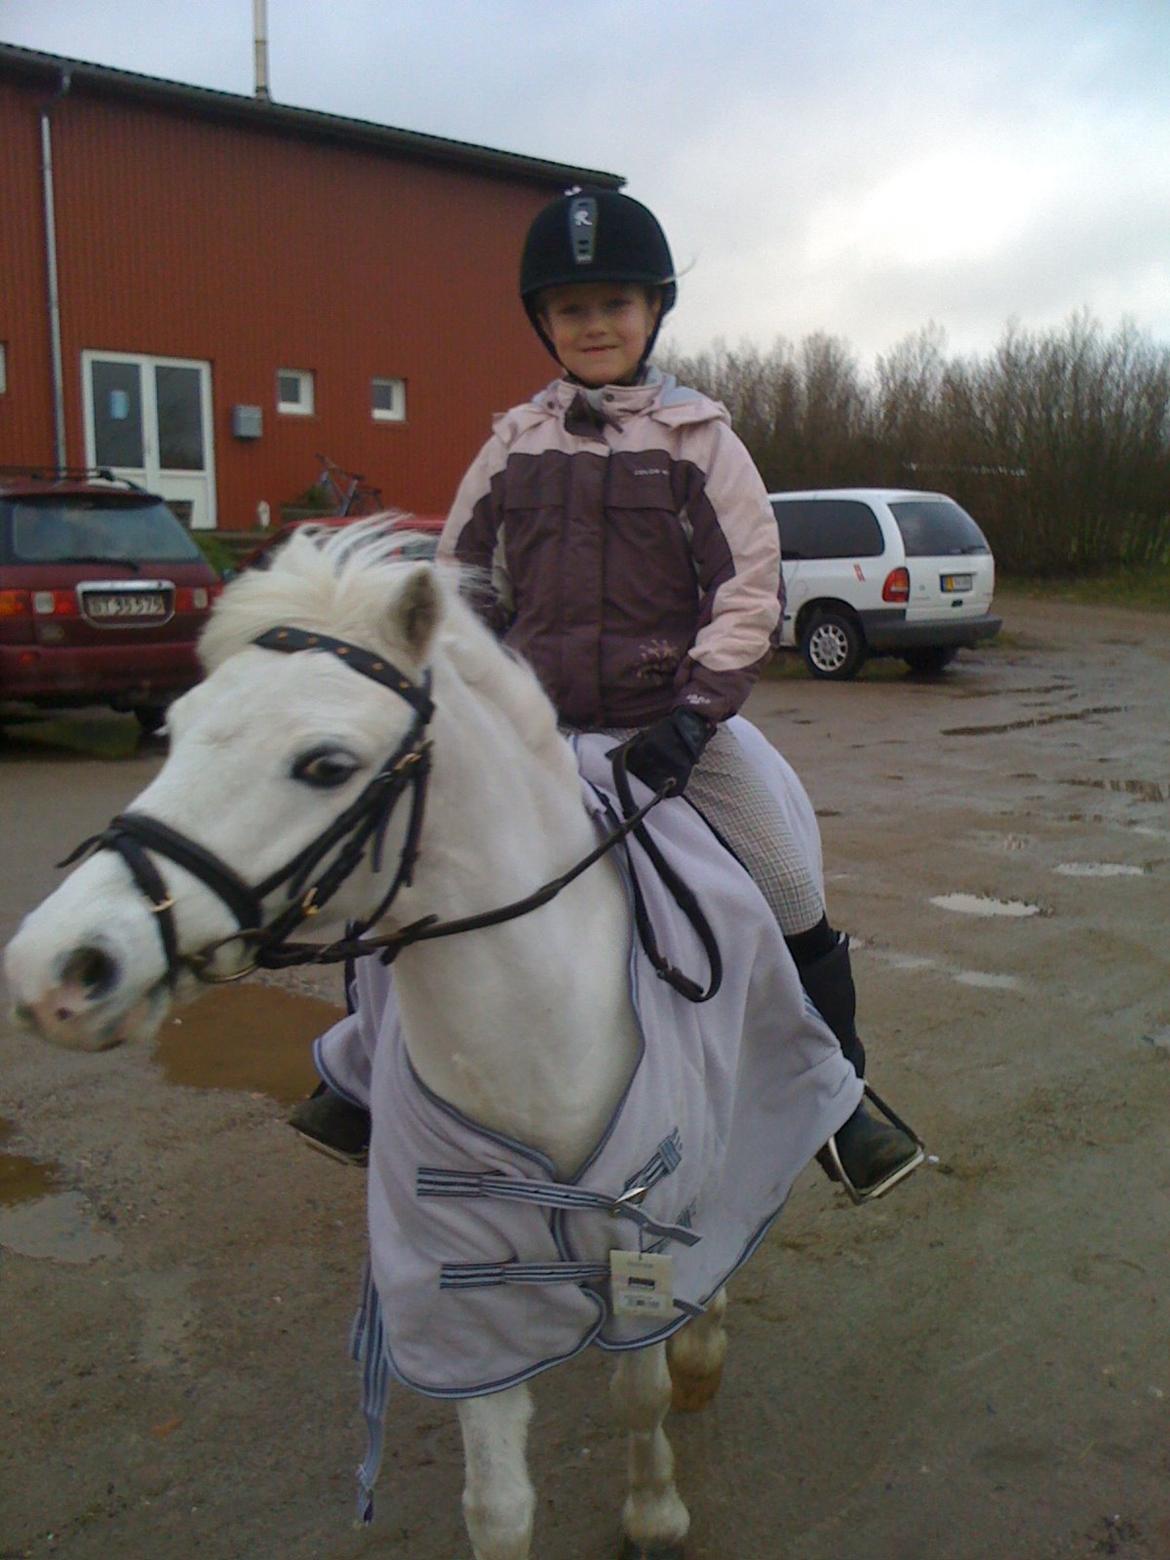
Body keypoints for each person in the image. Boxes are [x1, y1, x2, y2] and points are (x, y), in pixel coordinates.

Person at [291, 189, 920, 1201]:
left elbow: (750, 590)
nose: (594, 325)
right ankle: (365, 1078)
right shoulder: (511, 446)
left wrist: (696, 713)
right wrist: (465, 693)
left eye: (615, 304)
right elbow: (465, 584)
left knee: (789, 888)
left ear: (654, 312)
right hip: (531, 734)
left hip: (667, 729)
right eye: (572, 308)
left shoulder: (700, 442)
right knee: (391, 869)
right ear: (544, 322)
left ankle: (838, 1104)